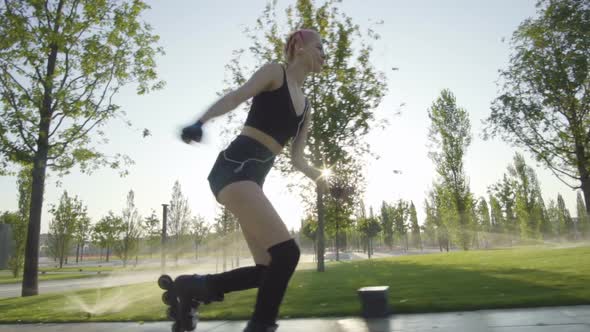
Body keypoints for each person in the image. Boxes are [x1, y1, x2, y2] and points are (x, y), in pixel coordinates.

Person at [175, 28, 328, 332]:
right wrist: (200, 122)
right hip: (233, 169)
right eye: (320, 47)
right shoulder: (276, 73)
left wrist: (320, 179)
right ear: (299, 46)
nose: (325, 54)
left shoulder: (307, 108)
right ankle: (261, 326)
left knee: (268, 271)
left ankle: (193, 288)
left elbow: (297, 159)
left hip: (250, 182)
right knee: (288, 254)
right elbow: (236, 96)